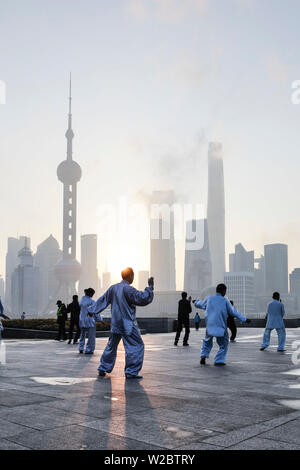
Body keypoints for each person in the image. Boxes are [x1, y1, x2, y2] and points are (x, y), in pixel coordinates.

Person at [88, 267, 154, 379]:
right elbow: (142, 298)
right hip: (127, 323)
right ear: (130, 276)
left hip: (116, 323)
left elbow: (102, 300)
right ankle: (131, 371)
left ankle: (103, 367)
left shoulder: (113, 288)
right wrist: (150, 287)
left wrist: (92, 310)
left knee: (111, 346)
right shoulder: (128, 289)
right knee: (136, 345)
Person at [194, 284, 250, 366]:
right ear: (223, 291)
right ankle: (219, 360)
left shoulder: (209, 299)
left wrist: (195, 302)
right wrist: (244, 319)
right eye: (225, 291)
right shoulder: (224, 300)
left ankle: (203, 356)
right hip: (220, 325)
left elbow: (200, 304)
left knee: (207, 341)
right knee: (224, 343)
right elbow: (233, 312)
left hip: (210, 325)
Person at [78, 288, 99, 354]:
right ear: (91, 293)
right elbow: (95, 312)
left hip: (82, 319)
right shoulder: (92, 302)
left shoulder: (81, 301)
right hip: (90, 320)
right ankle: (89, 349)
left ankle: (81, 348)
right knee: (91, 336)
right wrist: (100, 320)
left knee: (82, 335)